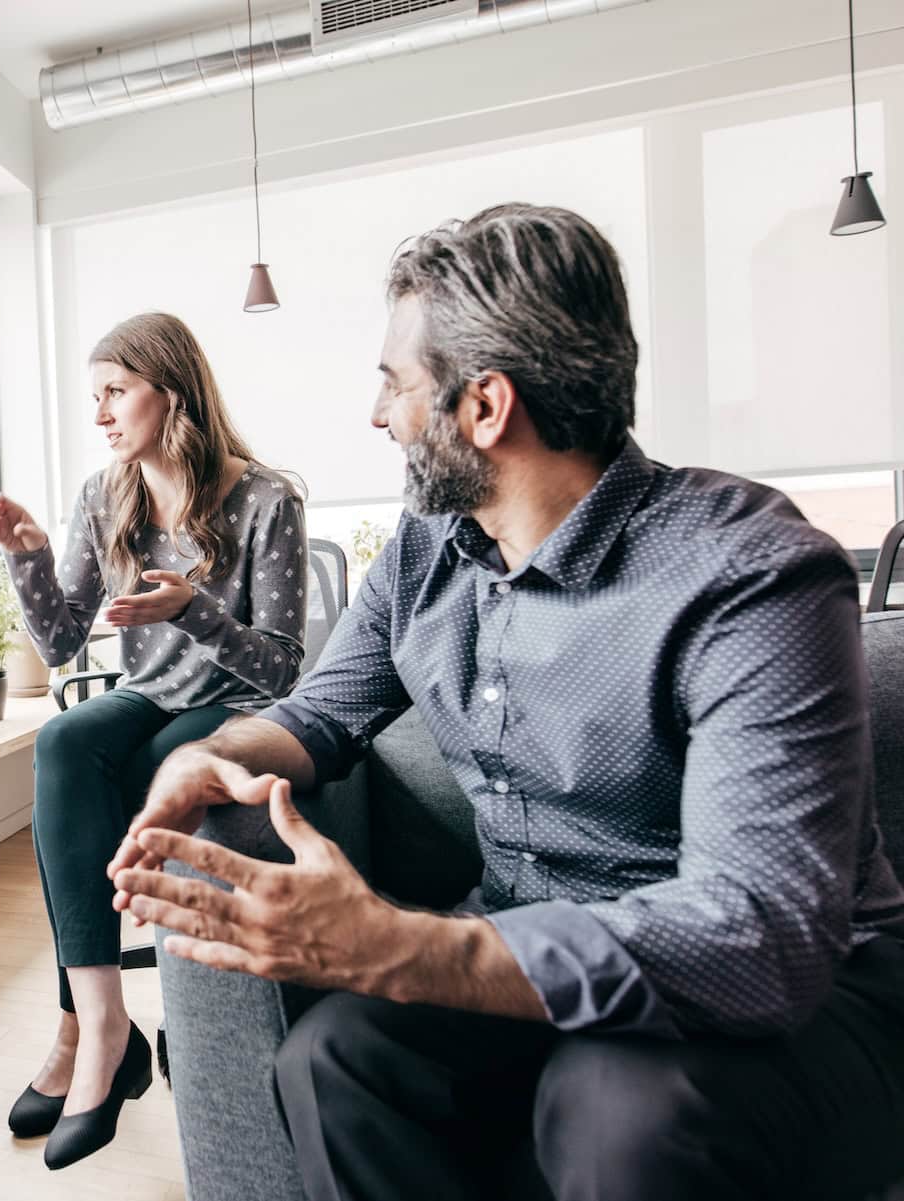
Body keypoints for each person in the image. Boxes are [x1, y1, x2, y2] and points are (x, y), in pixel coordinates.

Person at [111, 204, 904, 1201]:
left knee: (618, 1108)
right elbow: (320, 712)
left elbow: (759, 939)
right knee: (337, 1060)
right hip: (521, 943)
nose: (379, 416)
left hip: (805, 1003)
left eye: (395, 385)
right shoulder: (425, 550)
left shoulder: (748, 573)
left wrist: (400, 945)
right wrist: (215, 751)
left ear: (484, 407)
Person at [0, 312, 308, 1169]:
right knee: (63, 744)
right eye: (95, 396)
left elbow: (282, 670)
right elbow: (59, 642)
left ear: (173, 392)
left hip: (235, 704)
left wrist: (192, 609)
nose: (100, 414)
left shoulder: (268, 498)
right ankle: (102, 1027)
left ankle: (79, 1043)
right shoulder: (107, 492)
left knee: (146, 762)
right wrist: (29, 557)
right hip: (148, 693)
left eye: (116, 392)